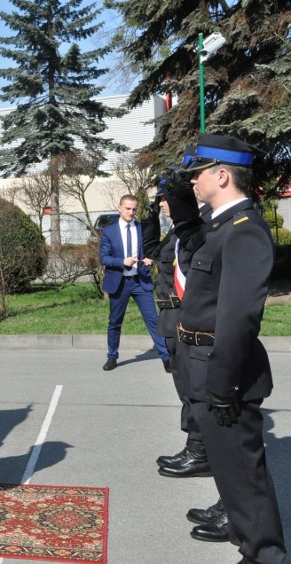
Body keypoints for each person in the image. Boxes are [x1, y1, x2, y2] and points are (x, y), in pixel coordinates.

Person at [169, 134, 285, 562]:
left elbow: (238, 320)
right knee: (231, 476)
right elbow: (189, 236)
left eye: (197, 174)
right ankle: (246, 539)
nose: (193, 182)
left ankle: (263, 555)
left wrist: (221, 384)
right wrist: (179, 192)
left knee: (244, 479)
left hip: (224, 371)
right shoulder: (219, 226)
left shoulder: (244, 232)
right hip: (202, 363)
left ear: (222, 174)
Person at [142, 152, 212, 480]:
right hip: (169, 317)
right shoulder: (175, 233)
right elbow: (152, 252)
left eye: (165, 199)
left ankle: (200, 448)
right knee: (183, 386)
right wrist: (150, 215)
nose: (163, 204)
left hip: (180, 313)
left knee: (192, 389)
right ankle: (194, 445)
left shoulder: (196, 230)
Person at [99, 194, 169, 371]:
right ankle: (112, 356)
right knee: (115, 322)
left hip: (140, 281)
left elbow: (150, 250)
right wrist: (122, 261)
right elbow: (104, 257)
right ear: (119, 208)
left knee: (153, 320)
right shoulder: (109, 232)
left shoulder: (141, 228)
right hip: (119, 282)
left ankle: (166, 358)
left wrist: (149, 259)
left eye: (134, 209)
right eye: (128, 209)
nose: (131, 212)